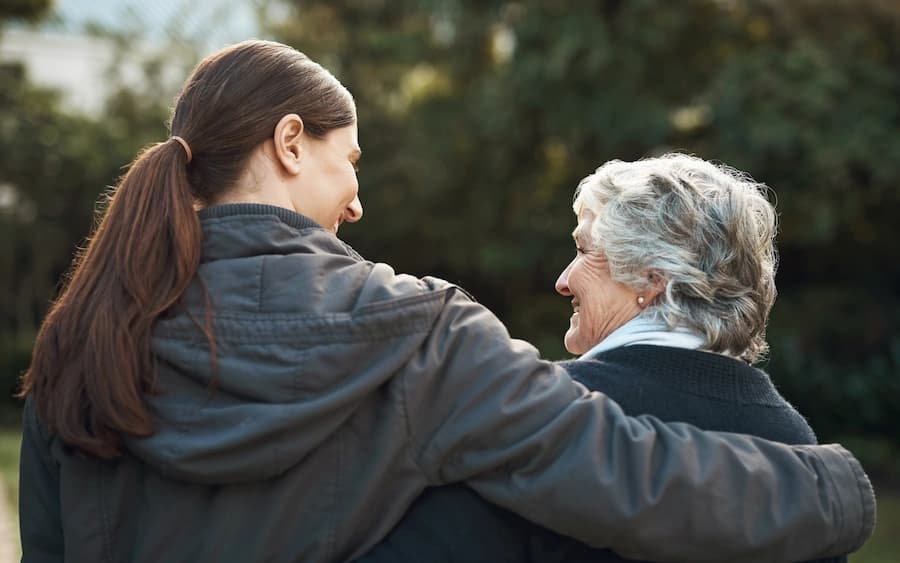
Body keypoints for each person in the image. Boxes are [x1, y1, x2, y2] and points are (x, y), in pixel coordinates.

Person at [18, 40, 874, 563]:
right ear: (288, 143)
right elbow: (630, 473)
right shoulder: (420, 333)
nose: (357, 203)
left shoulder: (83, 339)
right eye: (350, 161)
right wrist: (832, 490)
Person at [358, 154, 851, 562]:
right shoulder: (797, 446)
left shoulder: (543, 416)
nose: (563, 280)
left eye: (584, 250)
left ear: (652, 280)